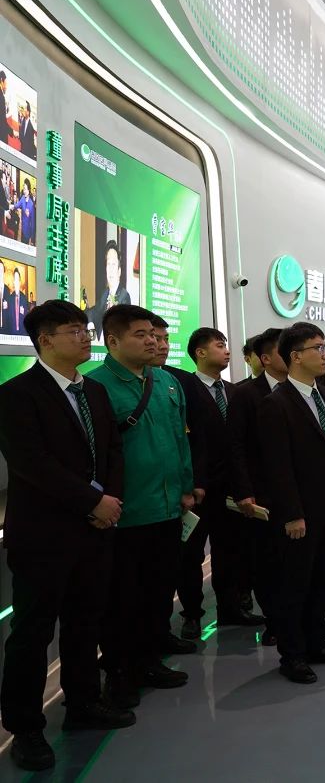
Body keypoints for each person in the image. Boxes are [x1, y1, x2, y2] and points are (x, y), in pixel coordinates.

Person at [0, 301, 134, 772]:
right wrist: (92, 502)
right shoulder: (16, 395)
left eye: (85, 329)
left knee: (85, 623)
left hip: (95, 532)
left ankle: (83, 703)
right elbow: (32, 464)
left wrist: (109, 501)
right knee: (32, 634)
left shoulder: (93, 390)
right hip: (43, 536)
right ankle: (26, 729)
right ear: (45, 340)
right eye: (74, 330)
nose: (85, 337)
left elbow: (113, 451)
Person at [88, 306, 195, 710]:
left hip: (168, 509)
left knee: (157, 591)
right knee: (120, 600)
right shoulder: (95, 386)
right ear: (112, 341)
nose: (152, 341)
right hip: (125, 513)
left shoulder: (167, 382)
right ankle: (119, 672)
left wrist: (186, 486)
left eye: (153, 333)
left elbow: (180, 439)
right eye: (141, 334)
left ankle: (150, 661)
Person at [257, 323, 325, 684]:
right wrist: (292, 513)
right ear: (296, 356)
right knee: (294, 584)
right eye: (319, 348)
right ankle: (293, 654)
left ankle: (317, 642)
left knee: (323, 580)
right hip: (300, 513)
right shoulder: (276, 404)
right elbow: (276, 467)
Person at [172, 327, 263, 640]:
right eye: (219, 345)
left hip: (231, 489)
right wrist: (191, 483)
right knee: (191, 556)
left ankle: (230, 607)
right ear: (200, 352)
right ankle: (192, 614)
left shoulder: (235, 392)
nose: (227, 350)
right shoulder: (184, 389)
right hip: (198, 489)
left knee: (231, 551)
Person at [227, 329, 285, 637]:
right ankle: (274, 621)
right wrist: (244, 491)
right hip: (262, 493)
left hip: (300, 492)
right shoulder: (245, 394)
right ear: (265, 359)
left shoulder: (308, 391)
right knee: (267, 561)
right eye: (283, 351)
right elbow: (235, 446)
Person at [90, 240, 131, 339]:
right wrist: (90, 324)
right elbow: (92, 312)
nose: (110, 270)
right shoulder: (105, 294)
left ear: (119, 271)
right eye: (108, 264)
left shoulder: (124, 296)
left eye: (113, 264)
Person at [2, 265, 27, 335]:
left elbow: (26, 318)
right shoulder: (9, 298)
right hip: (11, 333)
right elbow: (6, 318)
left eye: (18, 279)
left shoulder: (24, 298)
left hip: (22, 334)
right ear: (13, 282)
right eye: (15, 280)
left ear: (20, 281)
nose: (16, 282)